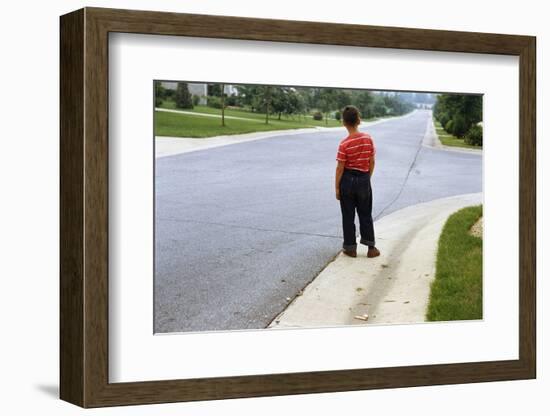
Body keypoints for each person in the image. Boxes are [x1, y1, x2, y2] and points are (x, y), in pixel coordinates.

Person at [334, 105, 380, 258]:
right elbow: (372, 161)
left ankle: (350, 248)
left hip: (347, 180)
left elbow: (340, 168)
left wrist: (337, 188)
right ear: (359, 120)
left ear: (344, 123)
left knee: (348, 216)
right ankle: (371, 248)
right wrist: (367, 178)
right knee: (365, 214)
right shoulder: (368, 139)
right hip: (364, 179)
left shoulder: (344, 144)